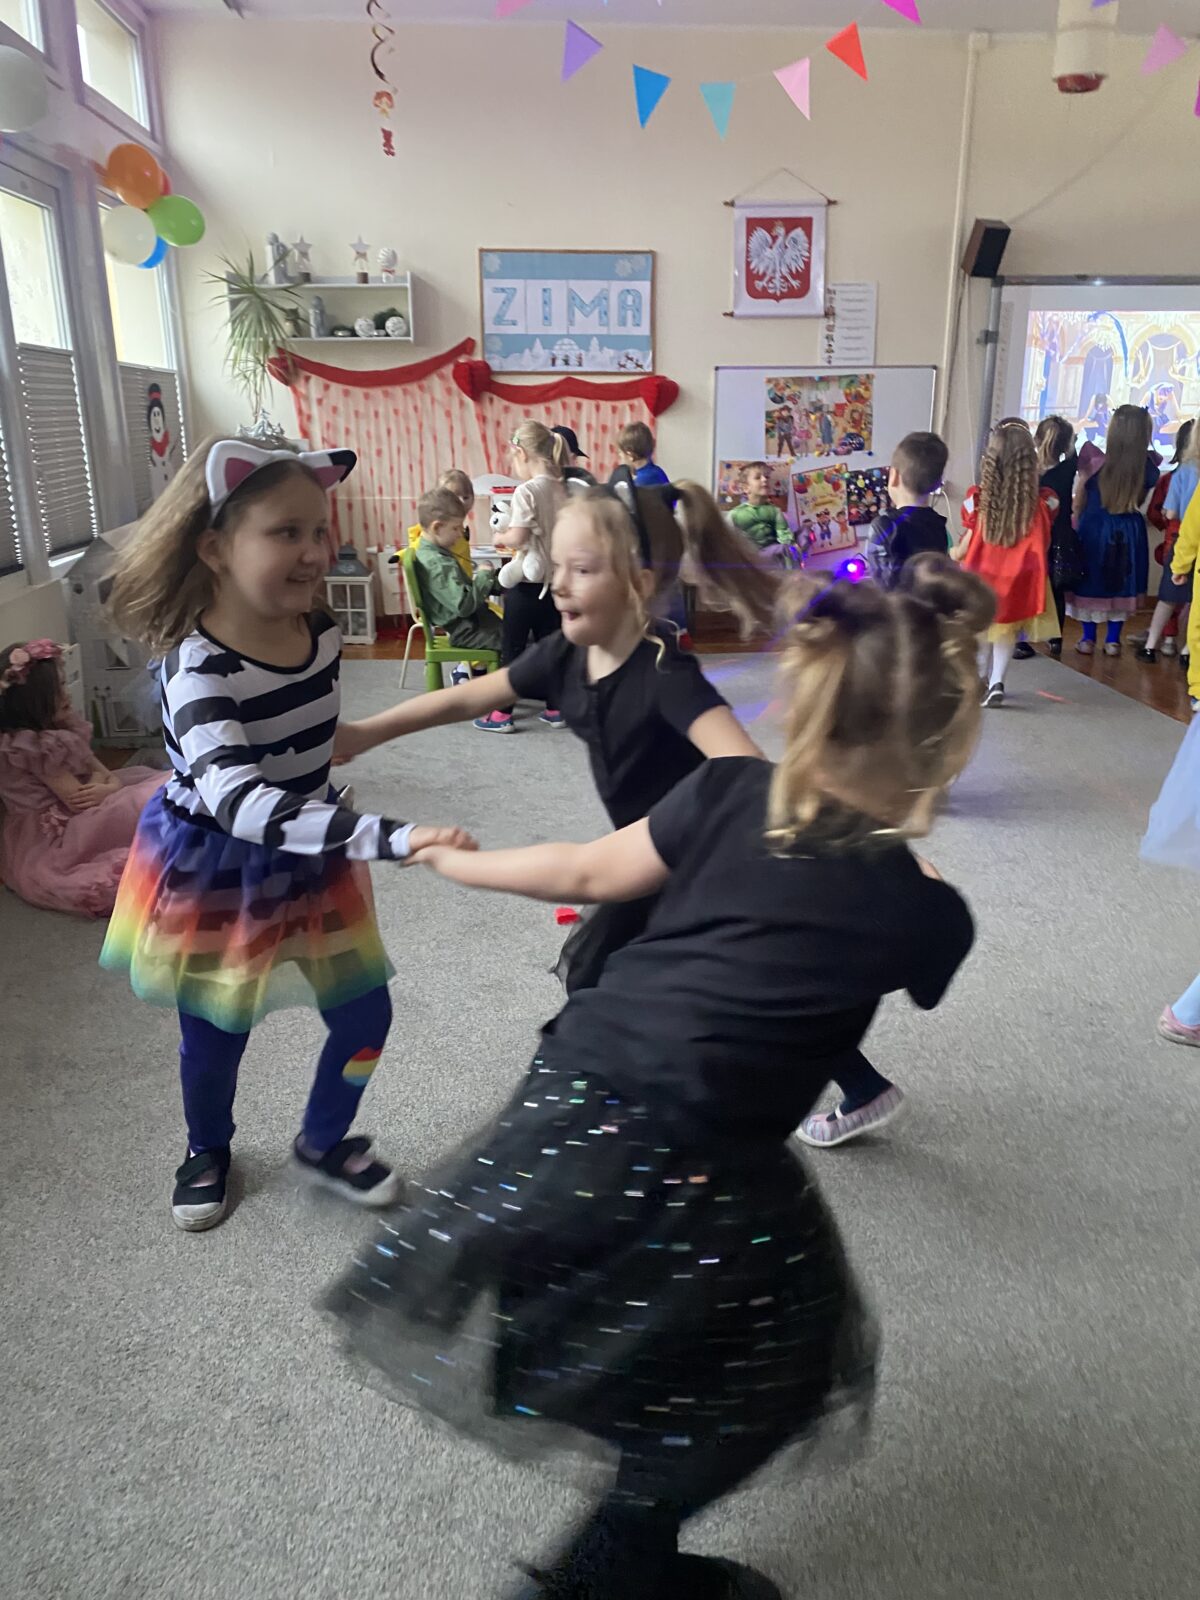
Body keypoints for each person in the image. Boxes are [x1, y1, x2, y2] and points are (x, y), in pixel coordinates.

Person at [322, 555, 988, 1600]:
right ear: (945, 751)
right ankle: (604, 1572)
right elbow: (922, 965)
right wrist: (919, 871)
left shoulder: (725, 791)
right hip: (701, 1153)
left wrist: (453, 860)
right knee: (776, 1361)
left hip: (567, 1096)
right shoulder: (926, 912)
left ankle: (630, 1552)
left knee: (631, 1324)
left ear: (805, 710)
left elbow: (586, 870)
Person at [341, 479, 912, 1150]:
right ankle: (842, 1085)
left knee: (671, 981)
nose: (558, 584)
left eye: (582, 570)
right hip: (648, 852)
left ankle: (645, 1110)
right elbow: (468, 698)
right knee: (624, 975)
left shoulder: (666, 674)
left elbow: (749, 772)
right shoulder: (566, 656)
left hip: (701, 860)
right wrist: (366, 733)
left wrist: (842, 844)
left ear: (639, 584)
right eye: (557, 567)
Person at [99, 438, 473, 1232]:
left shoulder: (321, 633)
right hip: (220, 867)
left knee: (366, 1018)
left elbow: (315, 735)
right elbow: (241, 800)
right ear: (214, 548)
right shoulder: (197, 668)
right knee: (215, 1033)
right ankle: (206, 1146)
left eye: (319, 529)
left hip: (312, 853)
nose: (314, 551)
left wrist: (377, 732)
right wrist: (391, 837)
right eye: (286, 532)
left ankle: (324, 1139)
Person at [0, 639, 164, 918]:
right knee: (149, 799)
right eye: (60, 689)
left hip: (85, 797)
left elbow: (102, 771)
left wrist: (111, 785)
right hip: (59, 828)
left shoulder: (59, 730)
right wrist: (108, 788)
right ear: (34, 703)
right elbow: (78, 800)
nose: (67, 694)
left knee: (147, 780)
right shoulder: (31, 746)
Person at [956, 418, 1059, 708]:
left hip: (982, 577)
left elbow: (967, 541)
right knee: (1006, 630)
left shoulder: (975, 501)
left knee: (982, 630)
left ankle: (979, 678)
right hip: (1018, 580)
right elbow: (1046, 536)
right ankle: (997, 681)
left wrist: (955, 553)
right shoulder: (1044, 504)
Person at [477, 420, 569, 734]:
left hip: (526, 588)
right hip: (555, 584)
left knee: (512, 649)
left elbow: (517, 537)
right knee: (550, 648)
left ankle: (501, 714)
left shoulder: (526, 491)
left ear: (522, 453)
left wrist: (499, 538)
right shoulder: (561, 487)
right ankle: (556, 708)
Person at [1067, 404, 1158, 658]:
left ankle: (1087, 639)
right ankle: (1113, 641)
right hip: (1129, 530)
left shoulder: (1094, 461)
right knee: (1122, 582)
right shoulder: (1147, 467)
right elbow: (1139, 500)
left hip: (1094, 528)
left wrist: (1075, 521)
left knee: (1090, 580)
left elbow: (1079, 500)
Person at [410, 486, 501, 656]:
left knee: (518, 632)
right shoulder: (437, 564)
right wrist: (483, 576)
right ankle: (484, 672)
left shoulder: (433, 553)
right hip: (466, 631)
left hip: (471, 624)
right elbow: (464, 606)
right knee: (516, 639)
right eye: (456, 528)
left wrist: (494, 581)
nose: (460, 534)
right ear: (437, 528)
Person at [1136, 418, 1196, 664]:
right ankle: (1187, 650)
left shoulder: (1181, 473)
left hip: (1180, 540)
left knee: (1168, 596)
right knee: (1195, 600)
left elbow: (1169, 513)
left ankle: (1152, 646)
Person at [864, 431, 951, 590]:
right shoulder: (939, 524)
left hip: (899, 605)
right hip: (931, 603)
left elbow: (882, 586)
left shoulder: (884, 525)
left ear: (893, 476)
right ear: (938, 483)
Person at [1034, 416, 1079, 658]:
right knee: (1056, 589)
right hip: (1060, 538)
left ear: (1036, 440)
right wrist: (1069, 443)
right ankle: (1056, 639)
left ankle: (1022, 639)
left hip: (1035, 540)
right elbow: (1073, 455)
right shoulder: (1067, 470)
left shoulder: (1030, 471)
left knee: (1030, 586)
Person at [406, 468, 477, 580]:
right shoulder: (436, 530)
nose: (462, 502)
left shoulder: (456, 526)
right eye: (454, 497)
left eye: (466, 497)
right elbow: (419, 547)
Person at [727, 462, 792, 561]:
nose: (764, 479)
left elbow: (785, 538)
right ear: (746, 488)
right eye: (757, 477)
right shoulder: (735, 514)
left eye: (767, 477)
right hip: (748, 562)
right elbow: (727, 543)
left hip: (772, 562)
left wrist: (790, 552)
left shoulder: (775, 511)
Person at [612, 420, 669, 489]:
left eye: (620, 453)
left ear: (630, 455)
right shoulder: (658, 471)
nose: (620, 457)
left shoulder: (639, 483)